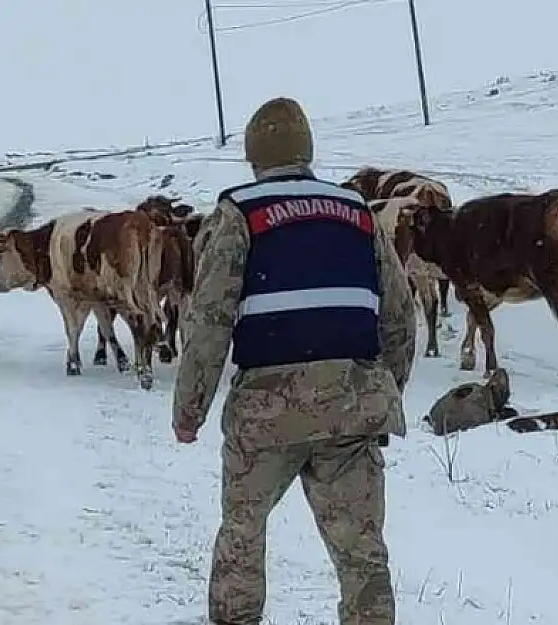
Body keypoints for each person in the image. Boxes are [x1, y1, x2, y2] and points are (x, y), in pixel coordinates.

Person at [171, 96, 417, 625]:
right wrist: (382, 390)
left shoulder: (239, 215)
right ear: (307, 151)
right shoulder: (358, 213)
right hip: (354, 405)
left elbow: (209, 322)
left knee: (242, 534)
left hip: (267, 414)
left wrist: (189, 409)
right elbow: (400, 316)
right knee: (362, 555)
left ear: (253, 156)